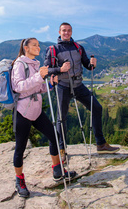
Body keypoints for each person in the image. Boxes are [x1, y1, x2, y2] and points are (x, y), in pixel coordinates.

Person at [44, 23, 120, 161]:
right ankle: (61, 149)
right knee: (62, 118)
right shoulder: (53, 50)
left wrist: (92, 64)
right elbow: (46, 70)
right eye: (64, 30)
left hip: (79, 85)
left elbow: (87, 65)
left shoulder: (78, 47)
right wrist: (60, 69)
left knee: (97, 108)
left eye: (69, 31)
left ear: (71, 32)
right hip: (63, 86)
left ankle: (101, 144)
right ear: (59, 32)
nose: (66, 33)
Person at [11, 37, 76, 198]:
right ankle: (19, 180)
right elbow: (18, 87)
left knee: (54, 136)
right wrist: (39, 77)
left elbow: (38, 88)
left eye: (38, 45)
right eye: (35, 45)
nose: (38, 48)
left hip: (36, 110)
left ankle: (57, 170)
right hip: (23, 112)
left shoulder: (36, 64)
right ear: (26, 48)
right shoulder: (19, 64)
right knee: (20, 148)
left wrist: (49, 85)